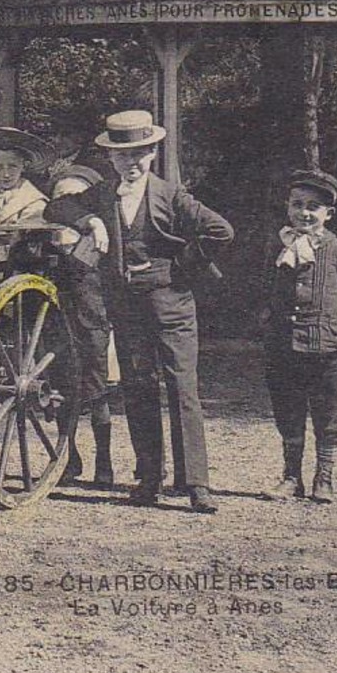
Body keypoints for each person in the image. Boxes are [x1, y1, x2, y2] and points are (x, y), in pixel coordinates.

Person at [92, 110, 234, 514]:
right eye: (122, 156)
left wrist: (177, 266)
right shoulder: (104, 195)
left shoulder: (170, 195)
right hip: (127, 308)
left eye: (139, 153)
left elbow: (221, 231)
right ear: (111, 159)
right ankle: (149, 479)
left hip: (172, 306)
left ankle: (196, 484)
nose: (131, 163)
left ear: (152, 152)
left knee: (182, 389)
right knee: (137, 389)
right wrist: (91, 222)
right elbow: (57, 209)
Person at [262, 168, 337, 504]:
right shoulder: (278, 248)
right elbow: (264, 289)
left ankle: (325, 478)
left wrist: (331, 321)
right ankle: (291, 477)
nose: (304, 212)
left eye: (313, 207)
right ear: (288, 206)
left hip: (328, 349)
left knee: (328, 413)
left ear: (328, 214)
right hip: (284, 346)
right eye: (297, 204)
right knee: (288, 411)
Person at [44, 164, 118, 486]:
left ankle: (104, 460)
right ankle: (69, 457)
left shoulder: (99, 245)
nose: (67, 201)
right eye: (62, 195)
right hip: (57, 329)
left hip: (92, 328)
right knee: (63, 392)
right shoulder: (47, 244)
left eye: (75, 195)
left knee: (97, 394)